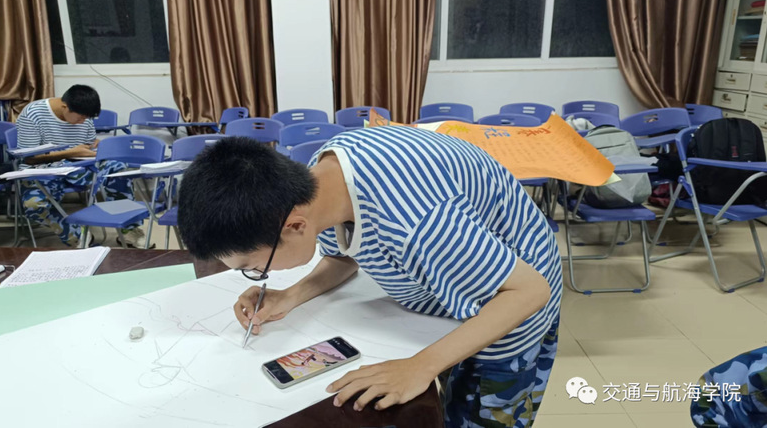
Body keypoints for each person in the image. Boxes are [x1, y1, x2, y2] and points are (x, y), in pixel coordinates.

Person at [178, 125, 562, 427]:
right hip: (461, 288)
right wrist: (289, 295)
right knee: (445, 393)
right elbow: (345, 255)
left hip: (508, 304)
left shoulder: (418, 223)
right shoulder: (321, 179)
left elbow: (528, 292)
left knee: (478, 410)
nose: (257, 275)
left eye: (254, 267)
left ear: (294, 226)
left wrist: (421, 365)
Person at [15, 85, 151, 247]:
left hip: (78, 166)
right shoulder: (33, 114)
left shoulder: (83, 116)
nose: (83, 122)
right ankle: (76, 234)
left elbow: (88, 143)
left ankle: (129, 230)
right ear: (64, 107)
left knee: (118, 168)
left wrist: (96, 146)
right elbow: (29, 158)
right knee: (34, 205)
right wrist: (70, 152)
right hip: (42, 170)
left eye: (87, 118)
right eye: (80, 118)